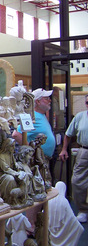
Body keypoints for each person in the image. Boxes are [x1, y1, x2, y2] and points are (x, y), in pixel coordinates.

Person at [12, 88, 56, 179]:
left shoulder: (41, 115)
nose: (50, 100)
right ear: (38, 102)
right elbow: (16, 134)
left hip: (44, 159)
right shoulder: (32, 116)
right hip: (38, 161)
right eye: (46, 98)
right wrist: (30, 150)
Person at [59, 94, 88, 223]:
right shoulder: (80, 116)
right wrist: (64, 149)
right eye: (87, 103)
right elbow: (68, 134)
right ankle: (83, 210)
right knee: (77, 181)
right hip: (84, 151)